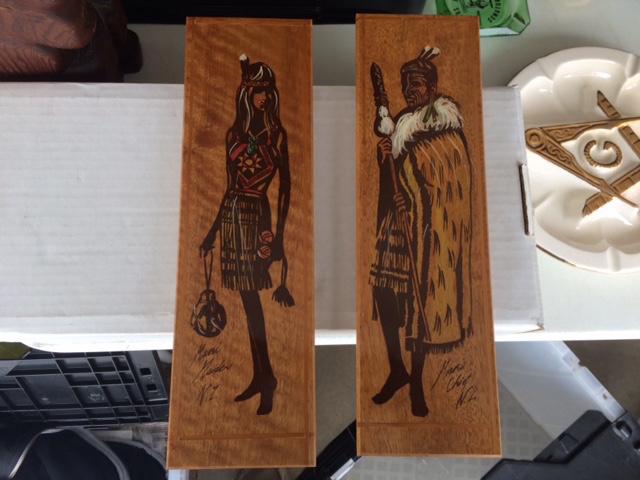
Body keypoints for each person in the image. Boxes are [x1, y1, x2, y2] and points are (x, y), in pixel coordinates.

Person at [369, 47, 473, 417]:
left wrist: (413, 199)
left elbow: (449, 187)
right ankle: (396, 369)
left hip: (429, 231)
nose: (409, 90)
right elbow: (395, 177)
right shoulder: (403, 124)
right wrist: (385, 158)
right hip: (399, 224)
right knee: (384, 292)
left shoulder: (444, 127)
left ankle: (416, 381)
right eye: (405, 85)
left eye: (415, 84)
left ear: (431, 87)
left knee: (420, 300)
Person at [200, 54, 291, 416]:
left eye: (267, 91)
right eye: (257, 91)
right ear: (246, 94)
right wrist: (212, 232)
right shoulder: (234, 136)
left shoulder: (277, 136)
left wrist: (280, 236)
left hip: (257, 216)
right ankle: (261, 375)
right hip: (234, 216)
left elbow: (286, 189)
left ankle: (267, 377)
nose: (263, 98)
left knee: (252, 299)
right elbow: (228, 188)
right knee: (245, 297)